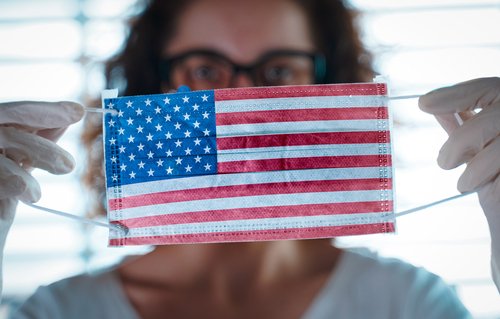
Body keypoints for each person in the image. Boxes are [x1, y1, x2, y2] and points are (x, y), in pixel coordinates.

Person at [0, 0, 497, 317]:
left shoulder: (410, 304)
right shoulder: (59, 311)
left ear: (329, 90)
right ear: (151, 92)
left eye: (278, 69)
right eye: (204, 70)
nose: (242, 101)